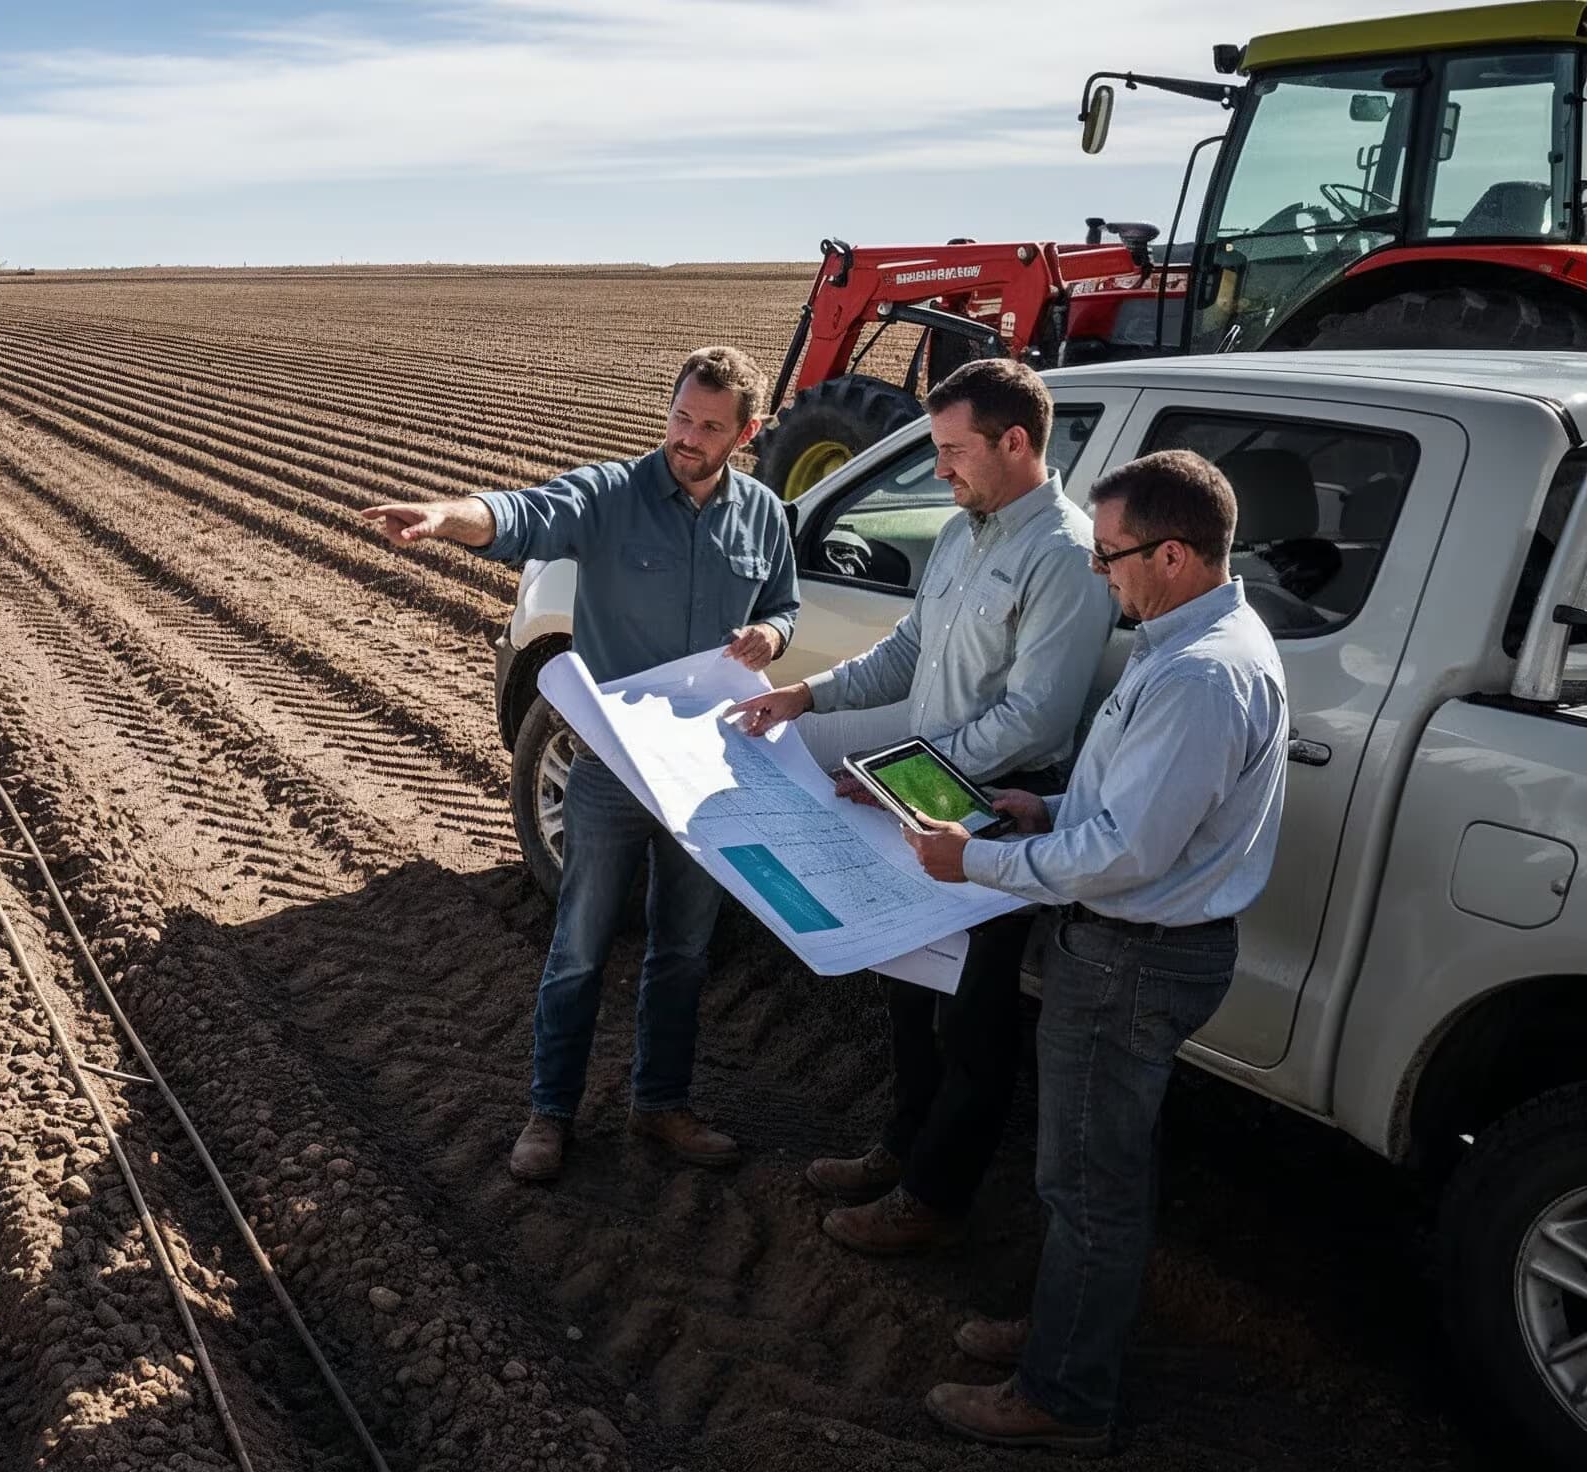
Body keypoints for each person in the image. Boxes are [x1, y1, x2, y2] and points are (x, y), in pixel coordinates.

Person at [901, 449, 1288, 1452]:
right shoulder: (1187, 637)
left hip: (1130, 958)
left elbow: (1124, 851)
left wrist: (974, 864)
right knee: (1084, 1172)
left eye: (1108, 553)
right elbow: (1128, 807)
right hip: (1133, 946)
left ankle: (1061, 1393)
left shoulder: (1200, 673)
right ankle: (1064, 1325)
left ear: (1170, 553)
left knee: (1087, 1184)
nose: (1094, 569)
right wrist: (1047, 803)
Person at [359, 346, 800, 1183]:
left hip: (703, 776)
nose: (688, 437)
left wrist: (773, 633)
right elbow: (522, 513)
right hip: (608, 770)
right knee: (579, 947)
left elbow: (783, 598)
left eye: (710, 427)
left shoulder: (765, 517)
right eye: (680, 416)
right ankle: (549, 1113)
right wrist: (444, 516)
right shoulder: (611, 497)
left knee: (685, 951)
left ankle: (660, 1105)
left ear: (744, 434)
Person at [724, 359, 1115, 1255]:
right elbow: (907, 654)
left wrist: (907, 771)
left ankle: (934, 1200)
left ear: (1015, 443)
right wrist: (807, 696)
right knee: (911, 988)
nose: (939, 470)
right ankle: (900, 1147)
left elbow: (1036, 718)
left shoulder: (1061, 554)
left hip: (993, 811)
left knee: (974, 1018)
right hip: (926, 792)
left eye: (952, 451)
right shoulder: (966, 529)